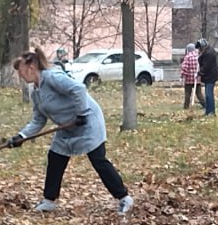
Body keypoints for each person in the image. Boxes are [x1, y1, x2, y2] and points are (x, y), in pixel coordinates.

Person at [9, 45, 134, 215]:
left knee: (98, 160)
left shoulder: (52, 77)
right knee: (55, 158)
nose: (20, 75)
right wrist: (21, 136)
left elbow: (78, 89)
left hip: (87, 121)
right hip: (67, 127)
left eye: (21, 71)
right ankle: (49, 201)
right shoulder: (37, 93)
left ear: (31, 68)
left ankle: (124, 198)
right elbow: (38, 120)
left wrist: (82, 114)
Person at [196, 38, 218, 116]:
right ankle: (208, 111)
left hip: (211, 76)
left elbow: (206, 66)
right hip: (209, 76)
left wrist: (199, 73)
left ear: (203, 47)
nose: (199, 50)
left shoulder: (209, 54)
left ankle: (211, 112)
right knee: (207, 94)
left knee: (209, 94)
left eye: (199, 48)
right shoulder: (207, 52)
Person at [179, 43, 201, 109]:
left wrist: (182, 76)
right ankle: (205, 104)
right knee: (199, 93)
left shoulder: (188, 57)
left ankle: (186, 106)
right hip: (197, 78)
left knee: (187, 93)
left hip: (189, 79)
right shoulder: (198, 56)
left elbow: (185, 68)